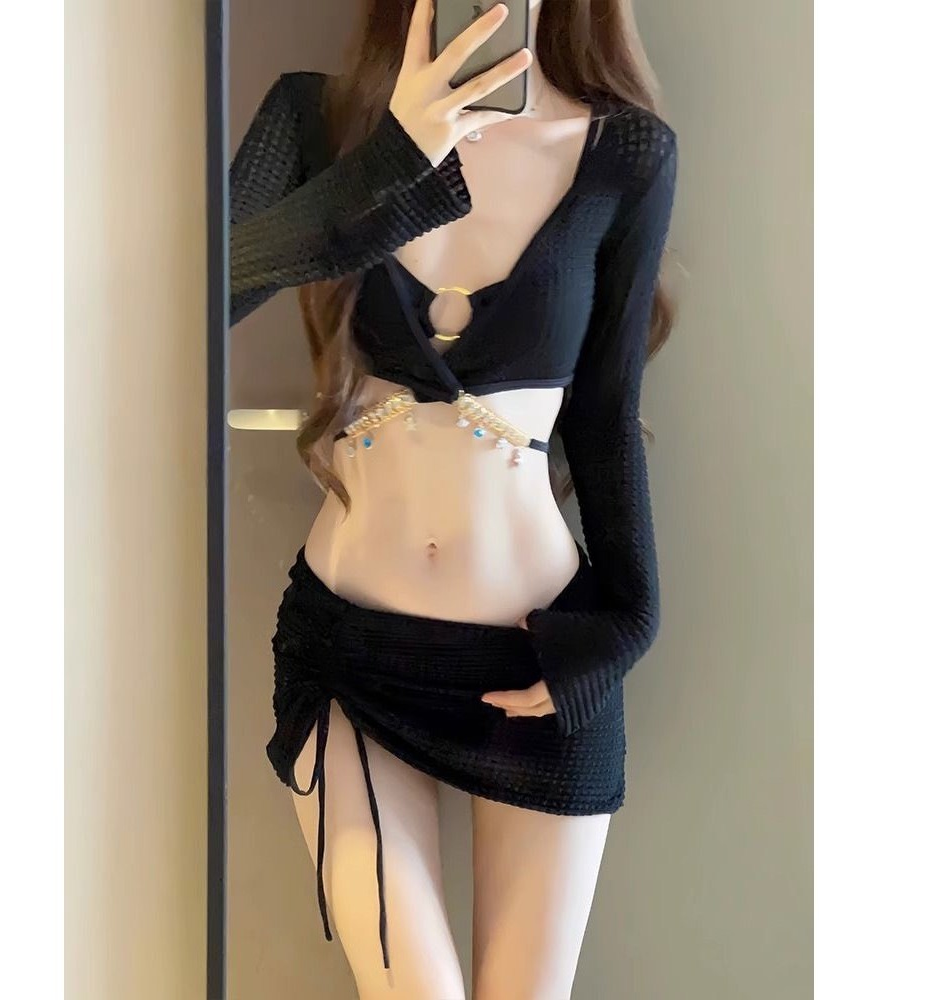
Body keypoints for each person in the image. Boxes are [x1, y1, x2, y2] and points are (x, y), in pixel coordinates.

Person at [228, 0, 677, 996]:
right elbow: (193, 294)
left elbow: (606, 412)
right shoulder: (313, 119)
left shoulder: (623, 153)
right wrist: (390, 162)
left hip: (537, 659)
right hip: (349, 654)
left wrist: (630, 622)